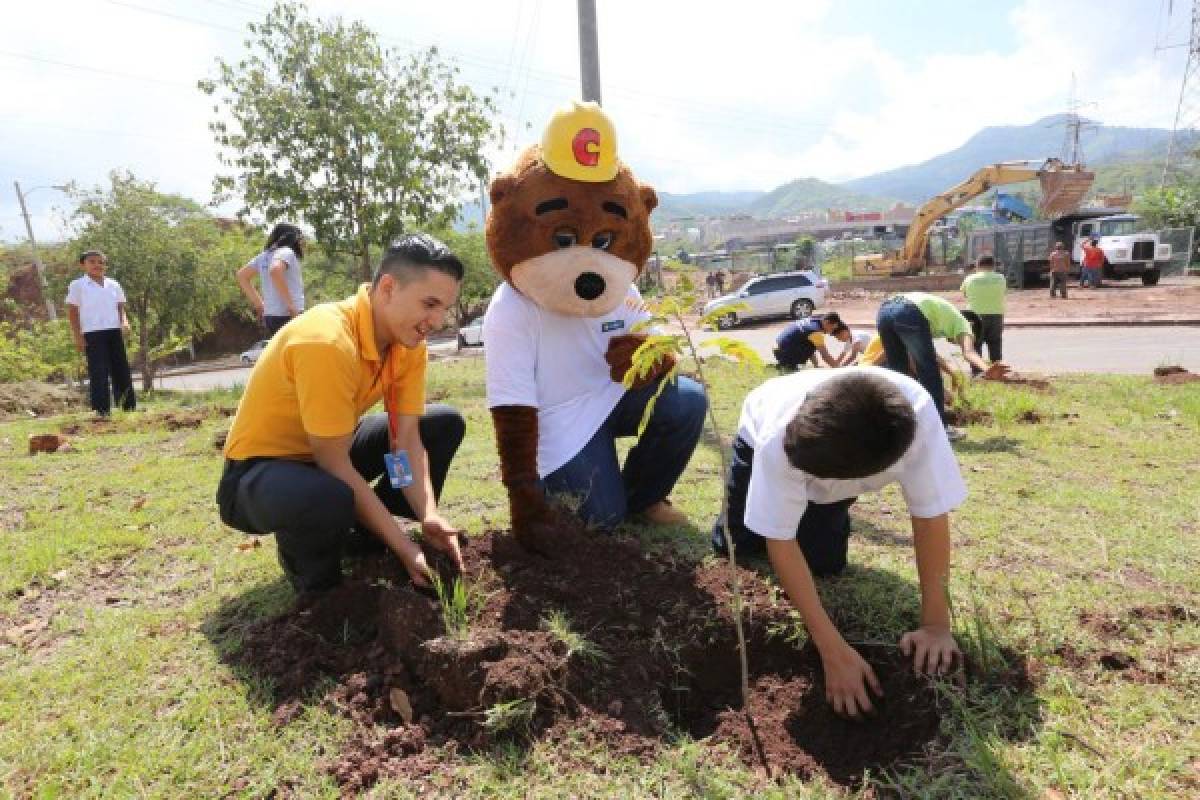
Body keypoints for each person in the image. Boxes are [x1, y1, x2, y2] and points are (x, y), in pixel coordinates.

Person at [217, 234, 467, 593]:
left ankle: (367, 538)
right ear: (388, 288)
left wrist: (428, 513)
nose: (438, 320)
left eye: (444, 308)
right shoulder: (328, 342)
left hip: (329, 450)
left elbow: (404, 440)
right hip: (257, 475)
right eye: (429, 304)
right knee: (329, 494)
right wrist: (404, 545)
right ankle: (314, 579)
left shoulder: (407, 343)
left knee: (442, 424)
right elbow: (332, 463)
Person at [711, 368, 965, 718]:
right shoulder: (778, 437)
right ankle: (750, 518)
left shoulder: (917, 414)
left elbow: (930, 514)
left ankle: (822, 516)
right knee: (738, 545)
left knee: (823, 564)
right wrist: (831, 649)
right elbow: (779, 541)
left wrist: (936, 625)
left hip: (841, 465)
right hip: (758, 443)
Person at [875, 292, 1007, 439]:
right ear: (971, 326)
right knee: (930, 374)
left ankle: (898, 427)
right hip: (909, 311)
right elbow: (969, 352)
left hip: (884, 311)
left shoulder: (940, 315)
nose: (956, 342)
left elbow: (919, 354)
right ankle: (940, 429)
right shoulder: (964, 323)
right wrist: (986, 369)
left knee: (899, 376)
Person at [65, 249, 136, 415]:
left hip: (114, 331)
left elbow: (120, 307)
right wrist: (78, 335)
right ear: (83, 265)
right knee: (99, 372)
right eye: (92, 262)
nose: (97, 265)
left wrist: (124, 322)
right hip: (92, 333)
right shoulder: (77, 286)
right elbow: (72, 312)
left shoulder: (113, 284)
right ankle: (102, 411)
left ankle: (129, 407)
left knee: (121, 370)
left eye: (101, 262)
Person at [236, 223, 307, 336]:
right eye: (300, 238)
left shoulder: (264, 256)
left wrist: (259, 304)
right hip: (289, 315)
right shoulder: (287, 251)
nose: (302, 242)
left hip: (271, 316)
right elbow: (275, 270)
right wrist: (292, 307)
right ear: (292, 238)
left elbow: (242, 276)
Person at [959, 255, 1005, 367]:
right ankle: (998, 370)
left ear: (977, 266)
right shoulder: (1001, 278)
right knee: (995, 344)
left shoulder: (969, 279)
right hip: (996, 315)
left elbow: (965, 294)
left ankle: (977, 372)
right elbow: (1002, 293)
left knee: (975, 345)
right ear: (993, 266)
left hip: (974, 316)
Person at [773, 312, 849, 371]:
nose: (830, 332)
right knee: (814, 344)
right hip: (784, 352)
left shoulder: (814, 320)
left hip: (779, 347)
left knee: (810, 343)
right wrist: (838, 369)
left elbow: (809, 347)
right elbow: (825, 355)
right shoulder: (815, 332)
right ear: (826, 322)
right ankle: (788, 365)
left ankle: (785, 364)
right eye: (832, 328)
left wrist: (816, 365)